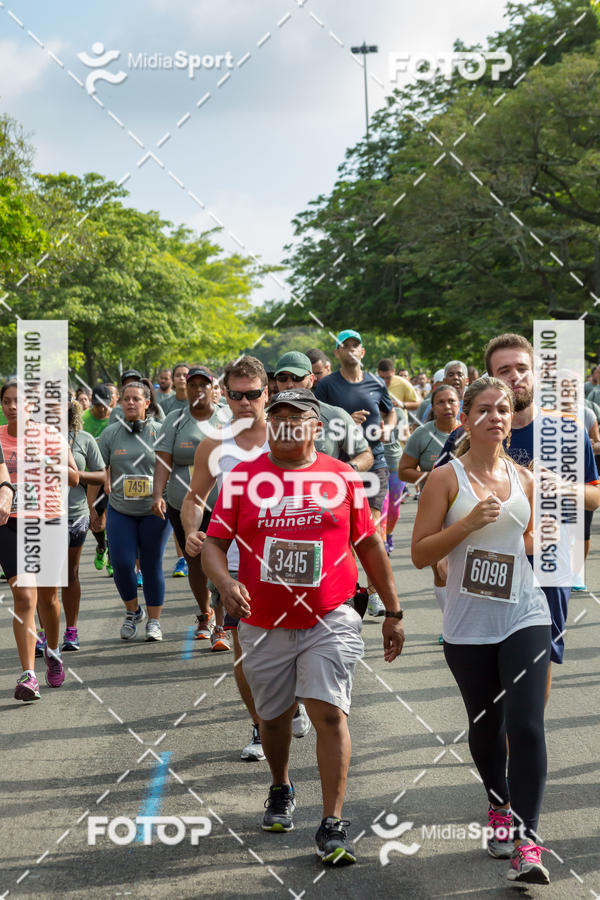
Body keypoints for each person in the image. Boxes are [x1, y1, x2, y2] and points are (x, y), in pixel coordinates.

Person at [202, 387, 405, 865]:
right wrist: (225, 581)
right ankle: (281, 785)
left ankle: (332, 823)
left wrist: (392, 612)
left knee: (329, 712)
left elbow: (370, 547)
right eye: (279, 417)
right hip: (263, 620)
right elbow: (213, 544)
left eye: (299, 418)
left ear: (318, 427)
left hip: (329, 615)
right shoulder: (241, 479)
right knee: (272, 718)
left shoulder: (342, 478)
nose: (287, 425)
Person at [412, 377, 552, 884]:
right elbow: (421, 551)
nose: (497, 416)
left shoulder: (524, 479)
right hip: (468, 622)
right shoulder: (446, 479)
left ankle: (528, 840)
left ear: (513, 418)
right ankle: (498, 805)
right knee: (486, 725)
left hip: (523, 612)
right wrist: (467, 525)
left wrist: (556, 533)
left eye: (505, 409)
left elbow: (528, 541)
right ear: (467, 418)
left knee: (527, 723)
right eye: (486, 409)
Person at [437, 334, 600, 701]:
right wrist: (440, 561)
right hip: (486, 565)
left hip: (546, 563)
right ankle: (499, 745)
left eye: (522, 368)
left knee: (537, 665)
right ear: (490, 375)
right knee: (490, 666)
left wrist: (561, 487)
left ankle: (524, 744)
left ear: (535, 374)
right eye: (504, 370)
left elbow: (595, 497)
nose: (515, 377)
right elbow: (440, 500)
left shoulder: (566, 431)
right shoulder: (468, 432)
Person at [182, 356, 304, 760]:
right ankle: (260, 726)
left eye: (253, 394)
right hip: (237, 563)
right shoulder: (216, 445)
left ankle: (295, 702)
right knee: (247, 655)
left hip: (291, 558)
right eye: (236, 395)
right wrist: (191, 531)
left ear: (266, 393)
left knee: (297, 641)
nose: (245, 402)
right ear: (225, 396)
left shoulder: (288, 436)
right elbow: (195, 499)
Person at [0, 380, 79, 700]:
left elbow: (74, 477)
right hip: (10, 524)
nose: (13, 406)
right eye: (7, 401)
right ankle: (28, 674)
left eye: (19, 401)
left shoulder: (50, 435)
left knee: (48, 599)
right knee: (25, 599)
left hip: (48, 521)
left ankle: (54, 651)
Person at [315, 331, 396, 616]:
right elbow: (317, 419)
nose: (350, 350)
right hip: (339, 467)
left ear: (362, 352)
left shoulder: (376, 382)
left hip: (374, 463)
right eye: (344, 346)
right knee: (344, 536)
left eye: (355, 346)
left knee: (371, 533)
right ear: (336, 353)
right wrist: (346, 422)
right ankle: (346, 592)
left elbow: (391, 411)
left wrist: (388, 426)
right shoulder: (325, 385)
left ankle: (374, 593)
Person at [153, 366, 230, 649]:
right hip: (182, 503)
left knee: (219, 559)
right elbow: (163, 461)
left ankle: (221, 624)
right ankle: (204, 613)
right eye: (193, 385)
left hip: (223, 504)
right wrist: (156, 495)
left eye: (203, 385)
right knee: (195, 560)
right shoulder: (174, 420)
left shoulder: (228, 417)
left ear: (213, 388)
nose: (198, 390)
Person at [92, 382, 171, 642]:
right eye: (126, 399)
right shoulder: (111, 434)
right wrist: (96, 509)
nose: (130, 403)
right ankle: (132, 611)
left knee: (150, 564)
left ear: (147, 403)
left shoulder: (161, 432)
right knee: (123, 564)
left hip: (154, 511)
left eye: (136, 398)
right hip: (121, 510)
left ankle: (155, 621)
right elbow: (98, 471)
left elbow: (172, 469)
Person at [273, 352, 373, 470]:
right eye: (282, 378)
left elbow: (365, 455)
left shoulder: (334, 416)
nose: (289, 384)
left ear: (311, 379)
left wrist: (344, 471)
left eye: (297, 378)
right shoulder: (266, 418)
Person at [63, 400, 106, 651]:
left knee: (70, 574)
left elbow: (101, 476)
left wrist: (75, 475)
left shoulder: (84, 438)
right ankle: (44, 633)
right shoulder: (34, 438)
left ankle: (71, 631)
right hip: (40, 515)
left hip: (74, 515)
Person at [82, 384, 113, 575]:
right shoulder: (84, 419)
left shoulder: (115, 419)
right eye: (97, 405)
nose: (101, 409)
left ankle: (113, 557)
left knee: (108, 519)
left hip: (109, 475)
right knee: (96, 523)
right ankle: (102, 546)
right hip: (86, 476)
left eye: (105, 405)